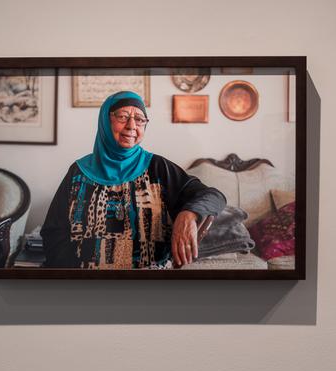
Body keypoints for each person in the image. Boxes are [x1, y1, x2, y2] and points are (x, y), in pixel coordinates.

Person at [41, 90, 226, 269]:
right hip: (87, 284)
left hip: (149, 284)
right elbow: (53, 232)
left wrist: (189, 214)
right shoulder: (79, 171)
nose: (131, 126)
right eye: (122, 117)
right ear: (106, 120)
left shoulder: (157, 168)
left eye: (139, 119)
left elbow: (214, 196)